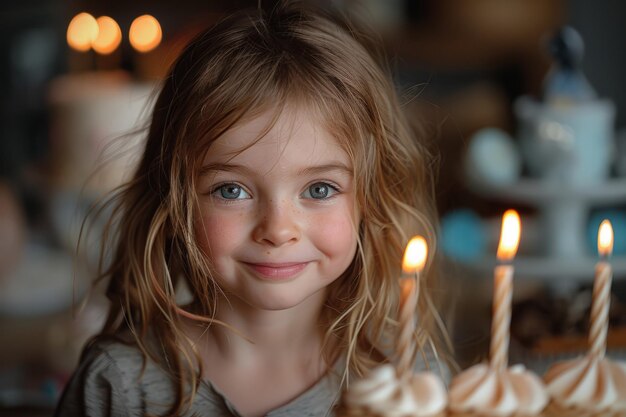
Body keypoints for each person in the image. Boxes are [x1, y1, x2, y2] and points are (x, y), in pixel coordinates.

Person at [55, 2, 451, 416]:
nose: (278, 230)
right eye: (231, 189)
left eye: (319, 189)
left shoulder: (408, 383)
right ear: (174, 201)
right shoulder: (118, 386)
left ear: (372, 197)